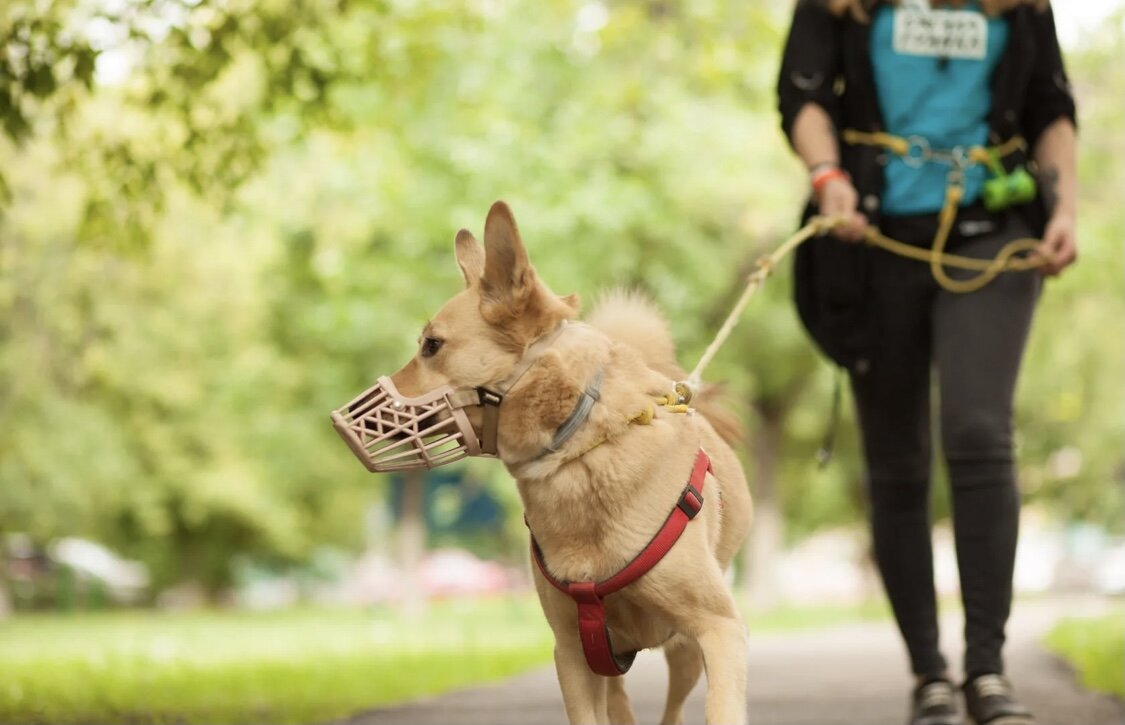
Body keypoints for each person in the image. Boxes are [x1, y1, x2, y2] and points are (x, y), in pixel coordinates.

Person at [776, 1, 1077, 724]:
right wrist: (827, 176)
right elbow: (802, 95)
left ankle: (987, 669)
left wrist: (1063, 207)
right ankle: (929, 674)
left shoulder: (1021, 5)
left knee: (977, 430)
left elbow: (1050, 106)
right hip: (871, 235)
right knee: (896, 461)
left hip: (991, 231)